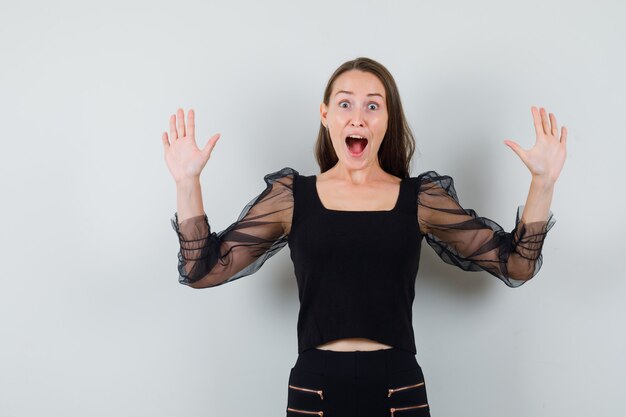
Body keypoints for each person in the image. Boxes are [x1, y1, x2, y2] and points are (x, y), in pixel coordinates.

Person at [161, 57, 566, 417]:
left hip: (398, 388)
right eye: (345, 104)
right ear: (325, 115)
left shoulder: (421, 198)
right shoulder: (291, 196)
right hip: (314, 387)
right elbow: (203, 270)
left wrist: (543, 182)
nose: (358, 117)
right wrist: (187, 181)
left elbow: (517, 264)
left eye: (373, 105)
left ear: (388, 119)